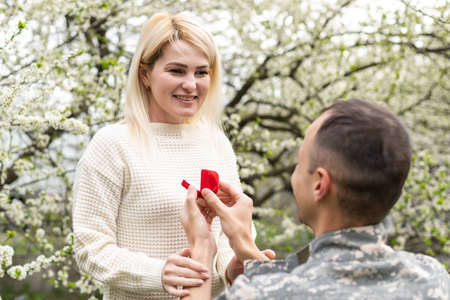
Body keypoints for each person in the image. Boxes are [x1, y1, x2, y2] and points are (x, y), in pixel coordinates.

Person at [181, 99, 450, 299]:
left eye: (299, 162)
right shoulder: (433, 279)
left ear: (320, 183)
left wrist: (202, 248)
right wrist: (245, 247)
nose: (294, 175)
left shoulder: (261, 294)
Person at [72, 12, 256, 300]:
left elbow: (223, 236)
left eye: (201, 72)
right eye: (177, 71)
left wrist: (234, 267)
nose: (191, 84)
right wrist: (158, 273)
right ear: (145, 74)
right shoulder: (113, 145)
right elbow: (90, 247)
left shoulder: (215, 141)